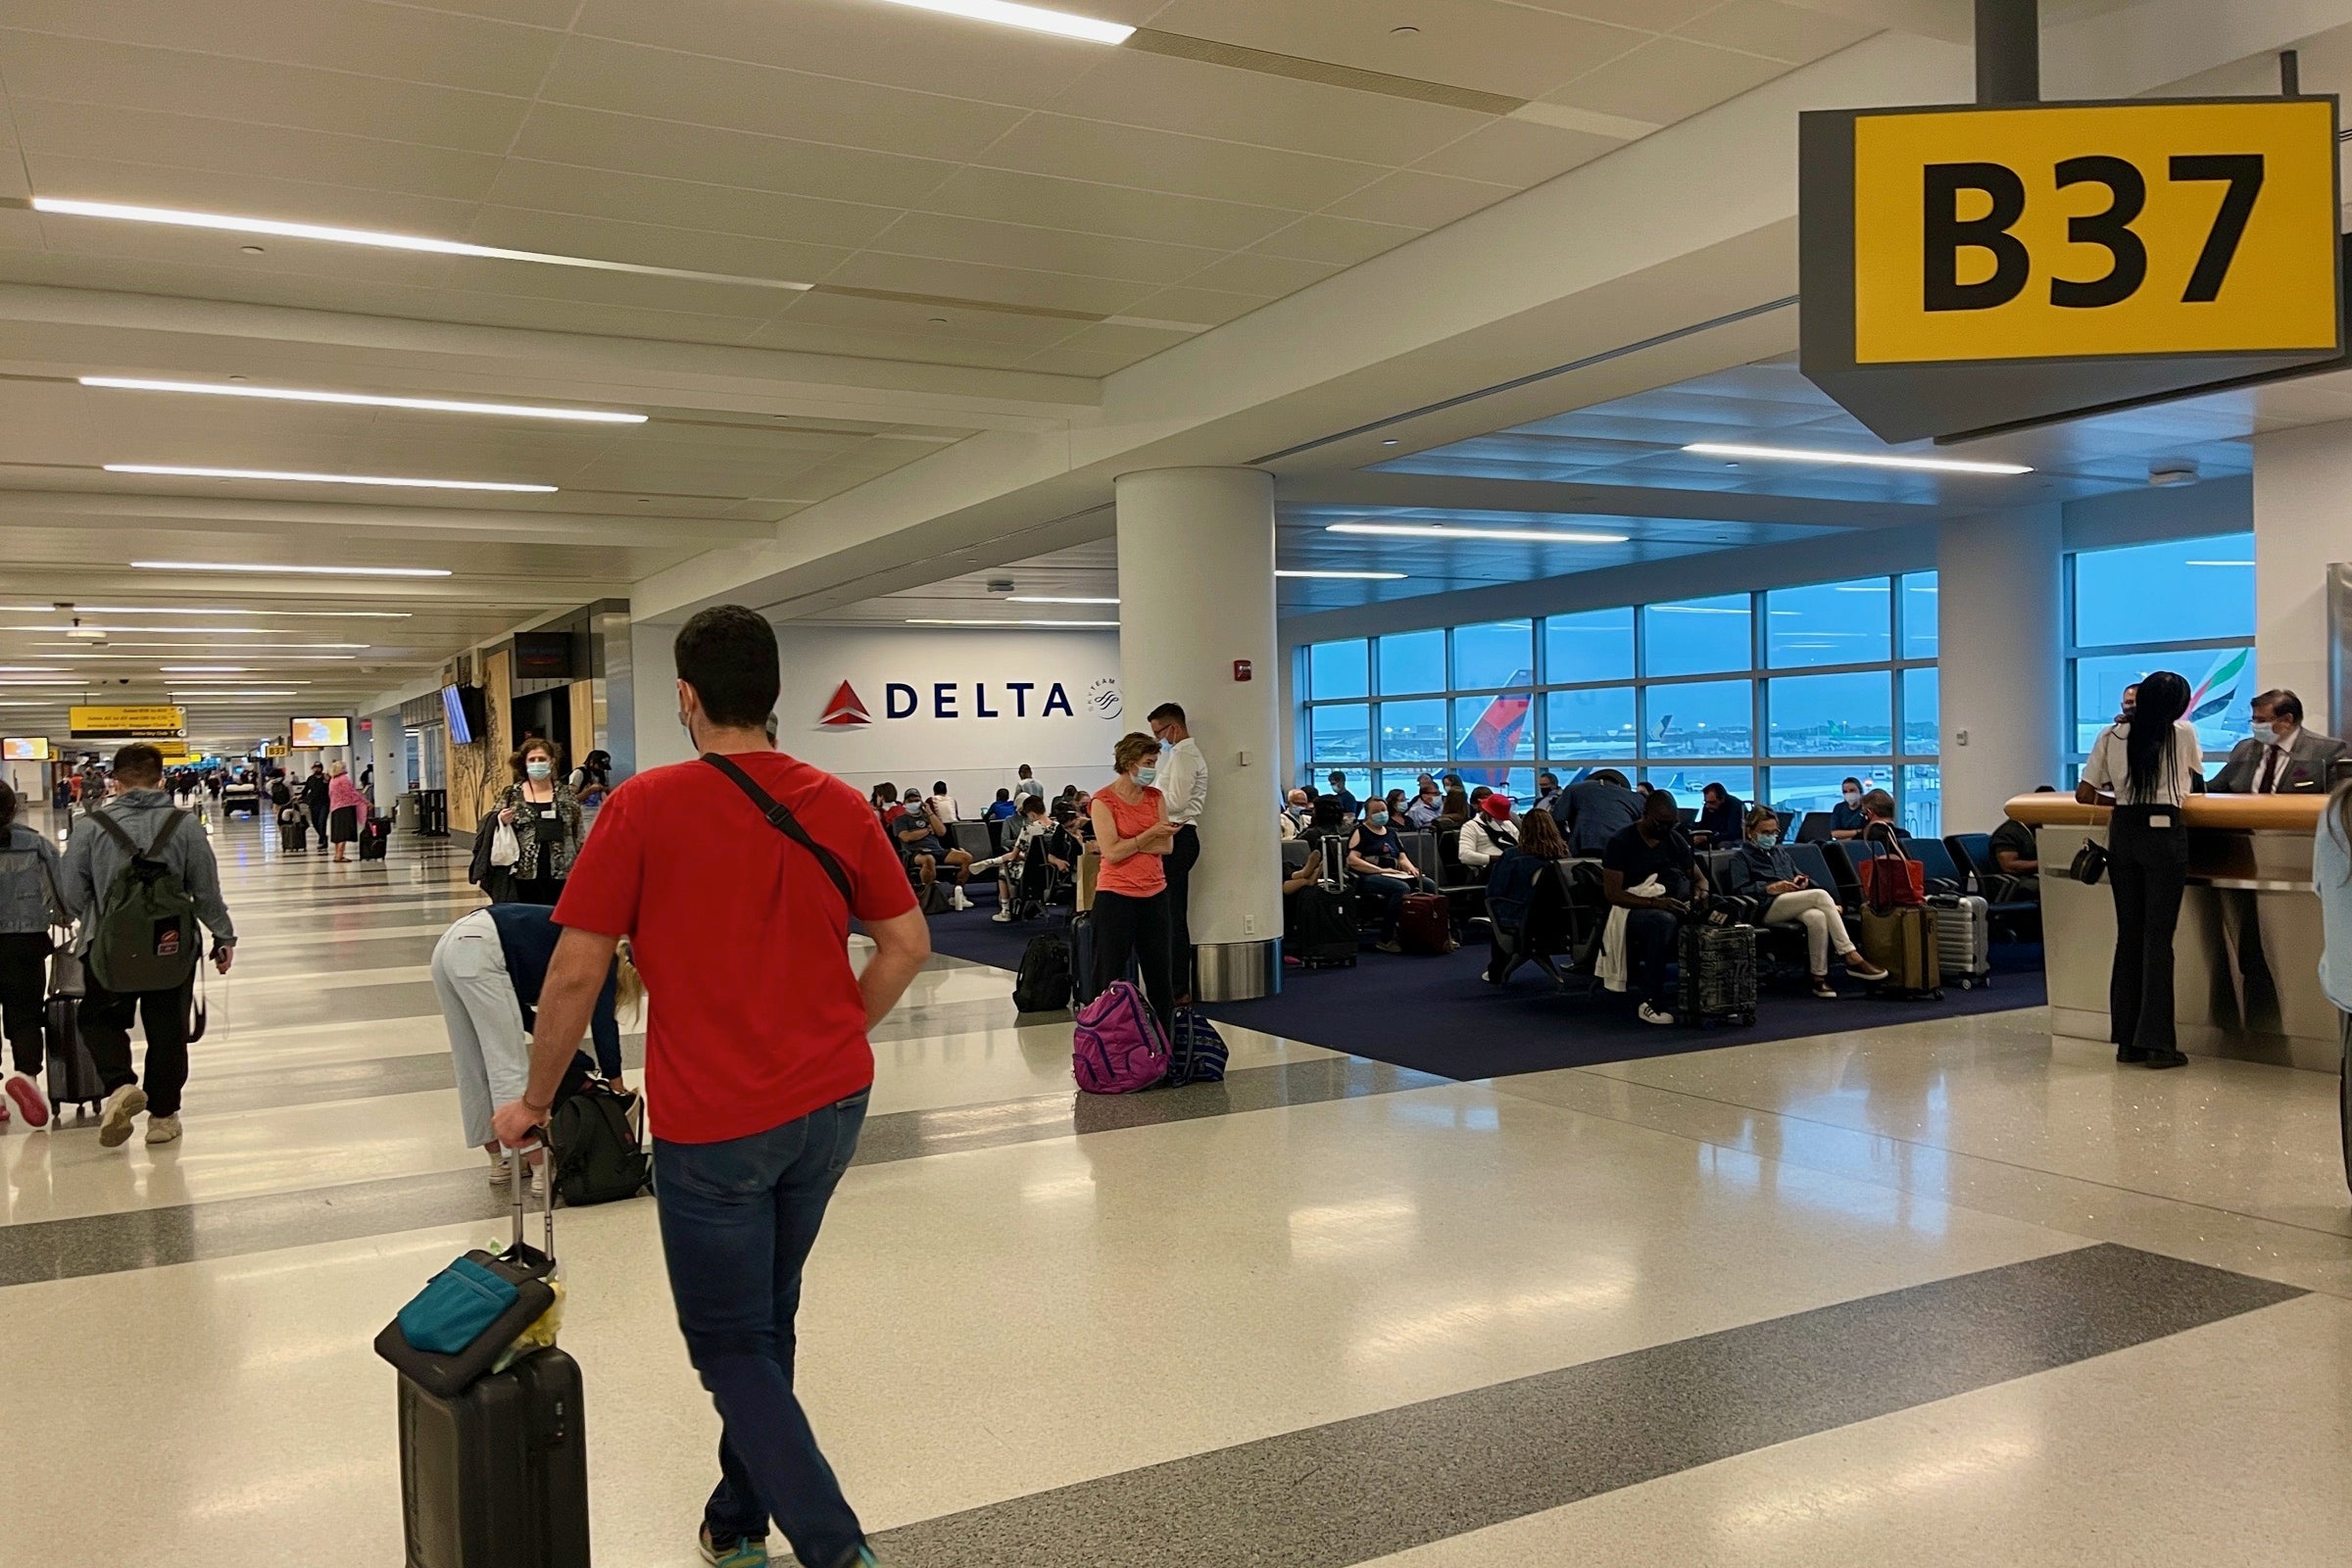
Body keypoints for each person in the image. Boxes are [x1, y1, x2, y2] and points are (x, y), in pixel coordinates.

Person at [488, 606, 924, 1568]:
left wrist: (531, 1099)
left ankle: (835, 1547)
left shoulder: (645, 807)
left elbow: (574, 970)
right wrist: (838, 1027)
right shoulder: (840, 803)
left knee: (730, 1344)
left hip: (717, 1124)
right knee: (765, 1319)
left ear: (686, 696)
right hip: (832, 1107)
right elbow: (906, 945)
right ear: (775, 696)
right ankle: (735, 1519)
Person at [62, 742, 236, 1149]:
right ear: (161, 779)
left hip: (107, 944)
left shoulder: (90, 825)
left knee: (98, 1018)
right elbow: (206, 889)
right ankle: (162, 1117)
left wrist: (96, 912)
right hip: (171, 945)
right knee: (167, 1030)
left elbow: (71, 895)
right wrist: (223, 936)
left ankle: (120, 1084)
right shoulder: (185, 825)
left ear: (114, 781)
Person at [434, 903, 635, 1186]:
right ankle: (539, 1166)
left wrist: (572, 1056)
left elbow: (525, 1017)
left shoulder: (554, 933)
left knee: (471, 1061)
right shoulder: (605, 957)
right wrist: (615, 1081)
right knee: (507, 1061)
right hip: (484, 947)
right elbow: (604, 1024)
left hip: (451, 942)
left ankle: (499, 1161)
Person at [2078, 668, 2202, 1070]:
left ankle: (2127, 1041)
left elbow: (2084, 794)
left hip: (2125, 834)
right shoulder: (2182, 734)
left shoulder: (2110, 736)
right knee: (2158, 939)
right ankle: (2159, 1043)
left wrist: (2124, 805)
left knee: (2128, 935)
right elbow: (2193, 782)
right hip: (2165, 835)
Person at [1722, 806, 1886, 998]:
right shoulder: (1741, 858)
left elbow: (1799, 876)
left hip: (1789, 903)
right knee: (1820, 897)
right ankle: (1850, 955)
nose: (1770, 836)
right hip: (1765, 908)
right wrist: (1769, 888)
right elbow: (1739, 890)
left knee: (1816, 917)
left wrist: (1802, 881)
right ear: (1750, 832)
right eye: (1764, 832)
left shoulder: (1779, 854)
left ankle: (1818, 977)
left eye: (1774, 832)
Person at [1089, 731, 1180, 1023]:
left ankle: (1164, 1040)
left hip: (1155, 893)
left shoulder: (1155, 798)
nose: (1153, 769)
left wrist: (1132, 842)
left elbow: (1167, 846)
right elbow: (1111, 852)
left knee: (1159, 974)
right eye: (1149, 762)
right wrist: (1149, 835)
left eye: (1155, 762)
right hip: (1116, 895)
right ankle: (1107, 1037)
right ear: (1130, 763)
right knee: (1109, 974)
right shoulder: (1103, 801)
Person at [1601, 788, 1706, 1026]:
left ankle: (1710, 995)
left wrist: (1699, 894)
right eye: (1661, 823)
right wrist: (1657, 903)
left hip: (1671, 900)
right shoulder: (1621, 842)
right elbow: (1613, 894)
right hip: (1632, 907)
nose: (1666, 828)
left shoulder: (1673, 838)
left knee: (1715, 915)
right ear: (1645, 815)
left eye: (1671, 823)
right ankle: (1651, 1001)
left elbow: (1699, 878)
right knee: (1662, 921)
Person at [0, 781, 63, 1127]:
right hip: (25, 943)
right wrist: (63, 915)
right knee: (25, 1015)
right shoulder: (35, 844)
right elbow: (62, 891)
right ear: (14, 810)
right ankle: (27, 1079)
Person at [1479, 808, 1571, 984]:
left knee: (1495, 907)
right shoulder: (1566, 856)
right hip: (1563, 921)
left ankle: (1496, 971)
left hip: (1523, 919)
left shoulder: (1513, 856)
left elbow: (1495, 891)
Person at [498, 738, 586, 907]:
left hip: (562, 871)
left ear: (551, 761)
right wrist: (501, 819)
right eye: (532, 760)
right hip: (523, 871)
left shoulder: (566, 793)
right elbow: (492, 823)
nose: (537, 763)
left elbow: (578, 830)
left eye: (542, 759)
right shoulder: (512, 794)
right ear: (524, 763)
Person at [2210, 689, 2348, 794]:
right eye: (2254, 719)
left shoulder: (2327, 751)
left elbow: (2338, 804)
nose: (2255, 725)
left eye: (2262, 721)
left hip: (2296, 829)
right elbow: (2215, 788)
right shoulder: (2244, 749)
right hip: (2244, 827)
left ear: (2287, 720)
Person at [1347, 795, 1427, 956]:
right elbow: (1352, 860)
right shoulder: (1360, 832)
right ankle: (1386, 938)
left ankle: (1427, 932)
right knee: (1401, 889)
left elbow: (1401, 857)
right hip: (1369, 876)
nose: (1381, 813)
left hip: (1394, 873)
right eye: (1376, 811)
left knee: (1428, 884)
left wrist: (1411, 869)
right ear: (1368, 814)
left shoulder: (1391, 832)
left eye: (1383, 810)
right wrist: (1381, 871)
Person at [892, 789, 972, 907]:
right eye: (911, 801)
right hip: (915, 853)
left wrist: (929, 812)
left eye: (917, 800)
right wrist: (927, 830)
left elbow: (941, 831)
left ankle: (957, 894)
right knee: (928, 859)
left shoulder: (927, 817)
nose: (914, 803)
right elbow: (907, 837)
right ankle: (927, 897)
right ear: (905, 802)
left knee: (966, 858)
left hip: (937, 850)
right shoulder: (900, 820)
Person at [1554, 767, 1642, 858]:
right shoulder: (1635, 797)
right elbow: (1642, 825)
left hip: (1586, 844)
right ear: (1619, 784)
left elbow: (1558, 817)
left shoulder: (1573, 789)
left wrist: (1568, 840)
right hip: (1624, 844)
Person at [1988, 792, 2049, 901]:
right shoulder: (2007, 833)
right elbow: (2009, 866)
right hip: (2011, 884)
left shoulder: (2032, 830)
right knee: (2052, 887)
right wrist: (2044, 863)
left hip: (2028, 878)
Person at [1456, 791, 1518, 870]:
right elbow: (1464, 855)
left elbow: (1520, 844)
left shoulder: (1507, 824)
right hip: (1492, 868)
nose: (1501, 820)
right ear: (1488, 812)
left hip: (1514, 863)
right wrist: (1497, 858)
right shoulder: (1471, 826)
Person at [326, 760, 368, 862]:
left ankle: (337, 854)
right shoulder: (344, 779)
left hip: (335, 808)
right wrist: (365, 802)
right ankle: (340, 856)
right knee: (343, 833)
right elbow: (352, 792)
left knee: (337, 834)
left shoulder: (333, 780)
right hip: (345, 808)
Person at [301, 762, 330, 845]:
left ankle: (323, 840)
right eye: (315, 768)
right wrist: (300, 796)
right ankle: (322, 836)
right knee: (314, 822)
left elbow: (331, 789)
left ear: (321, 768)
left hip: (324, 803)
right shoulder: (310, 779)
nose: (316, 769)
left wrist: (327, 781)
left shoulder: (326, 778)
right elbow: (306, 790)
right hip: (313, 803)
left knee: (322, 821)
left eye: (318, 768)